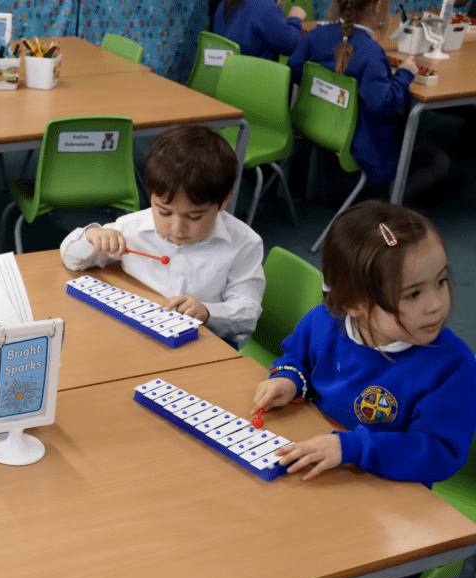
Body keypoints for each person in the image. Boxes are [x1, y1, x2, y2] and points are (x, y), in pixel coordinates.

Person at [253, 200, 476, 486]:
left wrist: (352, 448)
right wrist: (288, 379)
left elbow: (438, 453)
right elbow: (297, 360)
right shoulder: (323, 322)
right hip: (324, 465)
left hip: (391, 488)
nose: (435, 304)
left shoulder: (452, 365)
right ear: (353, 303)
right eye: (413, 294)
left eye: (441, 281)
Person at [59, 124, 265, 348]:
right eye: (164, 212)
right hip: (139, 333)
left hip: (206, 340)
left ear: (224, 201)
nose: (177, 228)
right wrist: (92, 235)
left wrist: (208, 312)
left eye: (194, 217)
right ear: (152, 196)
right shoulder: (131, 227)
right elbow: (71, 259)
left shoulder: (244, 244)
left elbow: (248, 314)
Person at [286, 0, 423, 186]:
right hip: (358, 140)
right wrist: (405, 75)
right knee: (437, 161)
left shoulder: (315, 35)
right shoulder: (371, 52)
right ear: (377, 6)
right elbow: (381, 102)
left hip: (311, 124)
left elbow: (293, 69)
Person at [213, 0, 308, 61]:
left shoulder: (224, 4)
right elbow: (291, 45)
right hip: (254, 80)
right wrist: (295, 18)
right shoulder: (264, 6)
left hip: (226, 77)